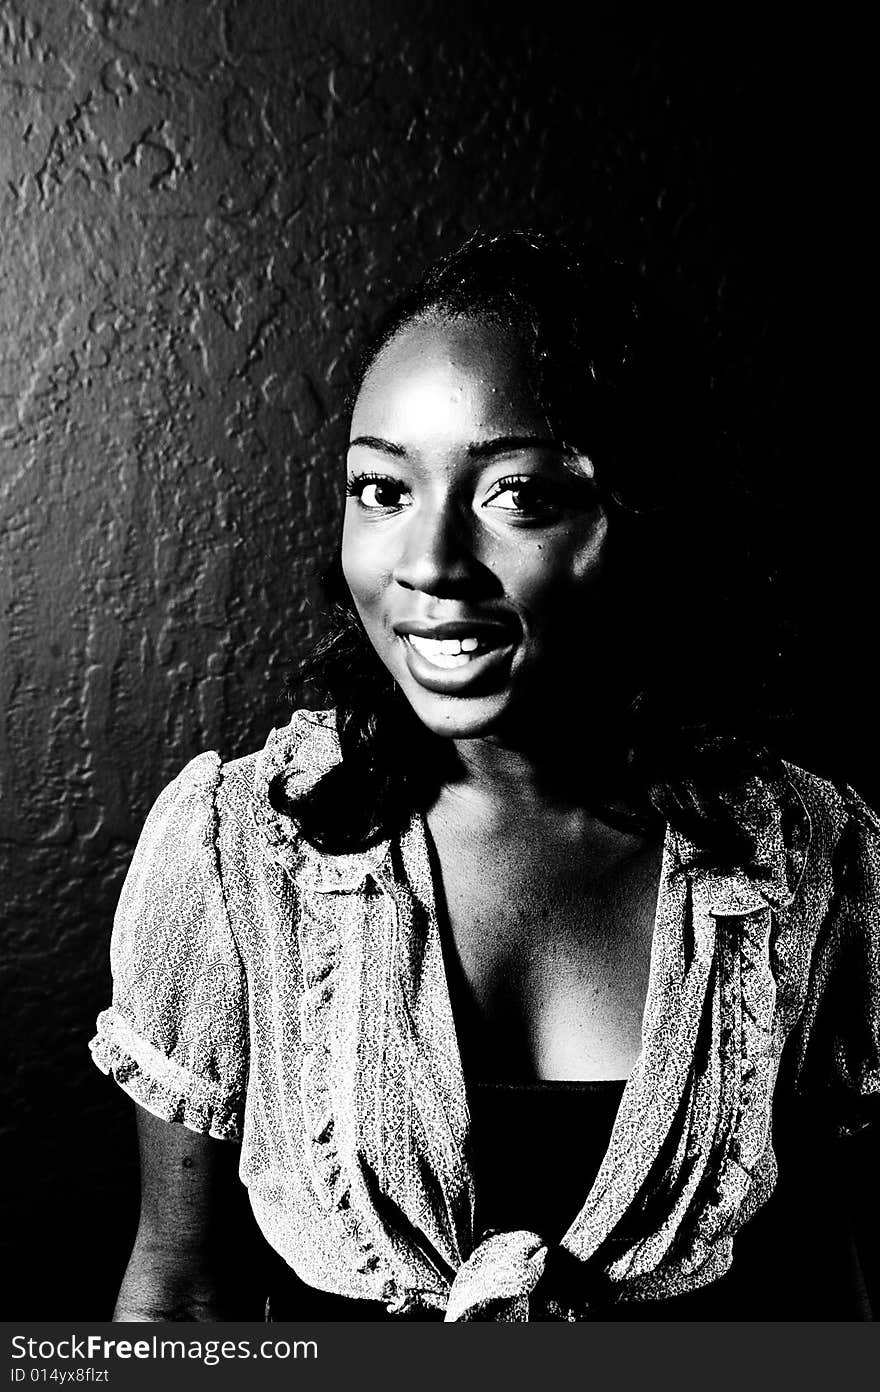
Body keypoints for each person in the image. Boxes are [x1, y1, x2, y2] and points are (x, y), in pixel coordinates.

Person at [90, 231, 879, 1321]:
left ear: (645, 517)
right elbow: (179, 1296)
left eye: (518, 495)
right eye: (381, 489)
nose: (428, 562)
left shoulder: (803, 859)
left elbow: (820, 1306)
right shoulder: (241, 855)